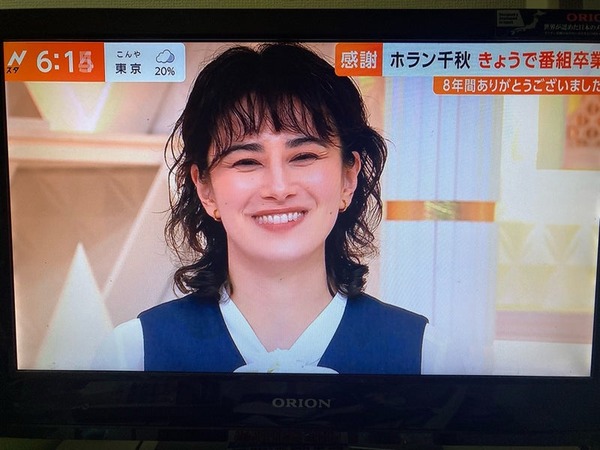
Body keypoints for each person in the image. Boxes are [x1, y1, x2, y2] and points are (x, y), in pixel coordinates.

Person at [95, 43, 428, 374]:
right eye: (247, 161)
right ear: (205, 188)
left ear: (348, 177)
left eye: (304, 156)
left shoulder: (425, 353)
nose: (279, 189)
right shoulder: (132, 353)